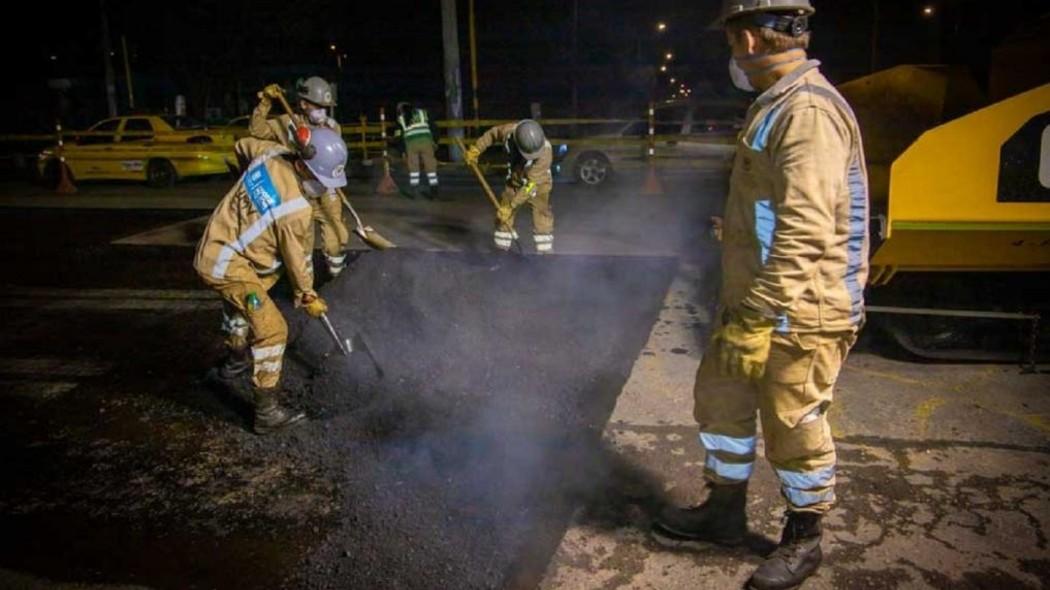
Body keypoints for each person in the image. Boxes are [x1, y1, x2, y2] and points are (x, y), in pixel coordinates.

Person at [652, 2, 870, 589]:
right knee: (721, 400)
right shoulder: (777, 105)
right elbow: (775, 211)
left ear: (748, 38)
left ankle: (804, 538)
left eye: (730, 42)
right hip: (754, 302)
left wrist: (758, 314)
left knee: (793, 418)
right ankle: (724, 511)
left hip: (800, 309)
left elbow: (807, 230)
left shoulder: (807, 112)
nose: (732, 55)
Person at [194, 128, 349, 434]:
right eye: (321, 181)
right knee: (273, 329)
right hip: (227, 265)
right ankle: (267, 411)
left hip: (221, 246)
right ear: (303, 166)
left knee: (240, 311)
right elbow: (298, 260)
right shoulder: (296, 211)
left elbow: (241, 144)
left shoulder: (268, 152)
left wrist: (245, 181)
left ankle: (235, 360)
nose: (322, 189)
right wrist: (307, 294)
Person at [250, 77, 351, 278]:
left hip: (326, 187)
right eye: (318, 106)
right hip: (298, 188)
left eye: (326, 107)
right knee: (303, 238)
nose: (323, 112)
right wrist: (266, 103)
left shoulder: (333, 127)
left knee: (336, 233)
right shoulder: (287, 124)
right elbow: (256, 129)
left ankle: (338, 277)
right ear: (304, 104)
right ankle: (304, 288)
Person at [464, 119, 554, 254]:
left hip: (538, 182)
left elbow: (530, 186)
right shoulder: (509, 132)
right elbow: (492, 134)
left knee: (541, 213)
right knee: (503, 214)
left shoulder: (545, 153)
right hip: (515, 179)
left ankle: (545, 251)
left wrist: (512, 206)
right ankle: (501, 247)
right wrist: (477, 148)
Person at [394, 102, 440, 199]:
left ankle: (414, 191)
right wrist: (435, 141)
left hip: (411, 144)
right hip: (426, 141)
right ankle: (434, 189)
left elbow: (398, 137)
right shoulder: (423, 113)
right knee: (430, 165)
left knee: (413, 167)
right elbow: (434, 127)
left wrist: (402, 151)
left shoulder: (401, 119)